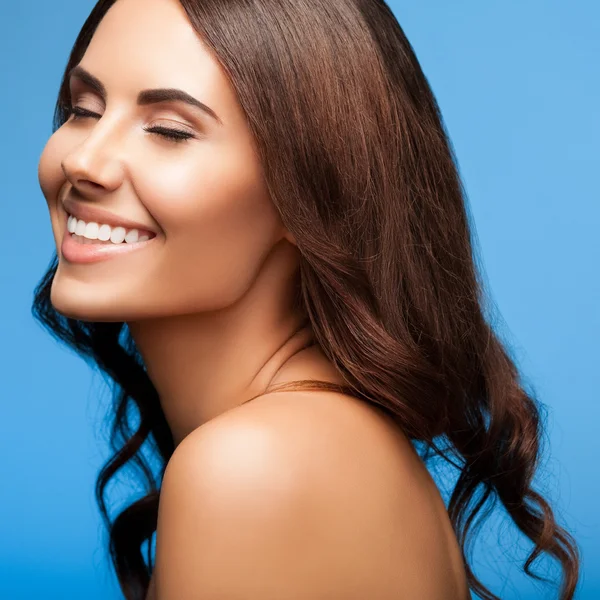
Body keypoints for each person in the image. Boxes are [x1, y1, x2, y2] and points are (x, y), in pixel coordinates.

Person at [34, 0, 580, 598]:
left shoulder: (256, 466)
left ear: (313, 189)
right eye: (83, 110)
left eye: (169, 130)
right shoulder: (314, 438)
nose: (81, 160)